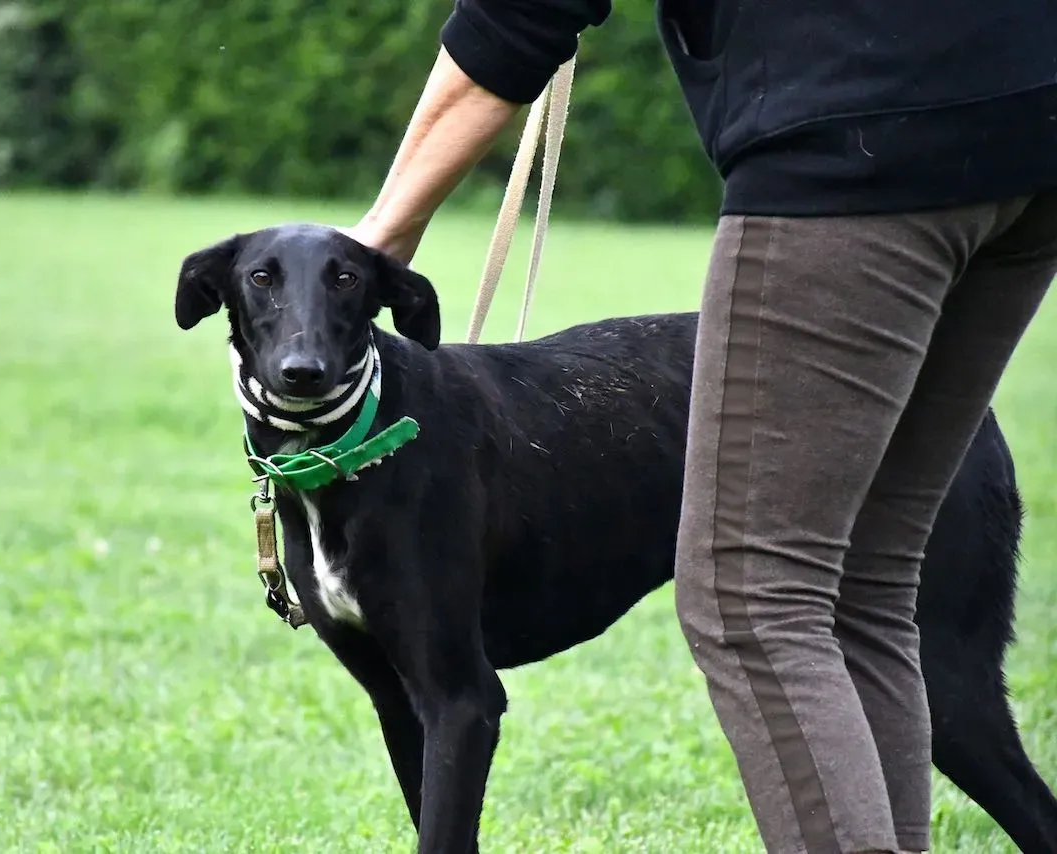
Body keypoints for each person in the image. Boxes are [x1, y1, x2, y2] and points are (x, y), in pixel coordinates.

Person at [339, 1, 1057, 852]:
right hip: (1031, 121)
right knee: (867, 581)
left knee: (755, 594)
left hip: (857, 134)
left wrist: (379, 238)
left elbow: (522, 9)